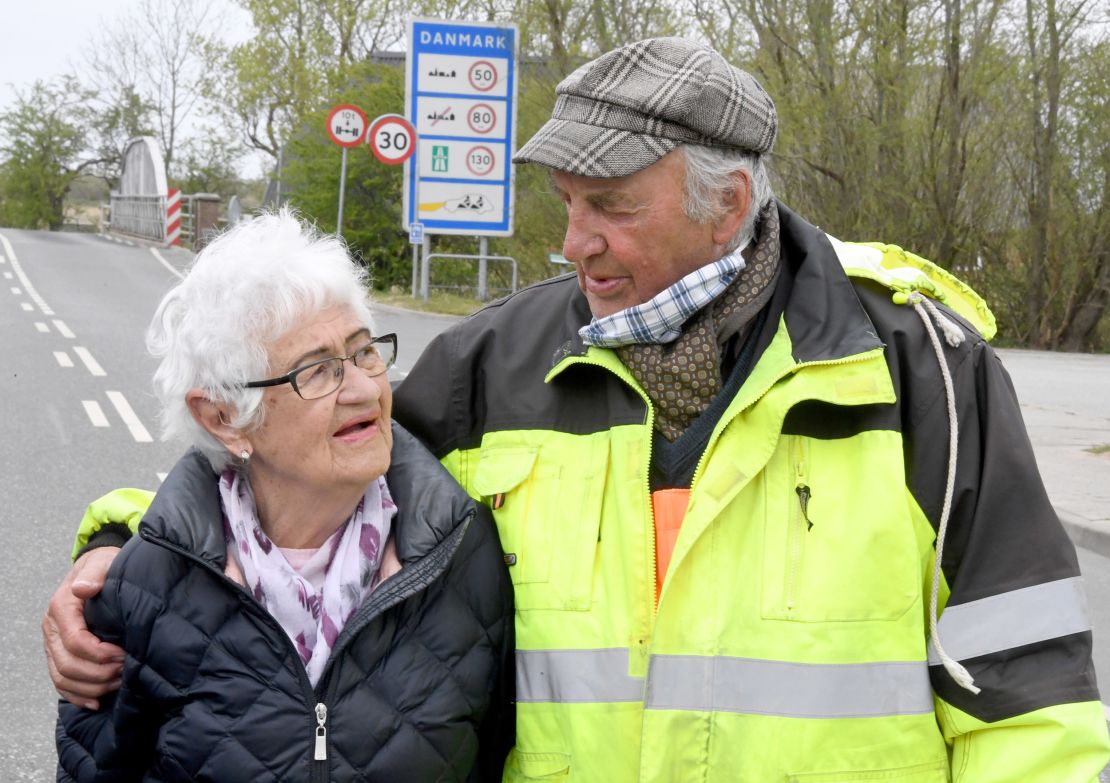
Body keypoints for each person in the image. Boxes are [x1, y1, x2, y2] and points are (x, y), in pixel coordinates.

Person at [46, 37, 1108, 782]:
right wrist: (121, 547)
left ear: (727, 206)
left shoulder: (920, 373)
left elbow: (1032, 702)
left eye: (610, 207)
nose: (574, 243)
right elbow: (301, 466)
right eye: (565, 204)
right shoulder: (496, 361)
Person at [52, 210, 514, 782]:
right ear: (225, 419)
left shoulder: (459, 552)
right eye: (316, 371)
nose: (366, 388)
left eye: (364, 350)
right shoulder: (147, 585)